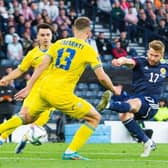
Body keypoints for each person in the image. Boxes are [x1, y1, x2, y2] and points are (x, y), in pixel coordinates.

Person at [0, 17, 121, 160]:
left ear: (74, 29)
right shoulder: (89, 50)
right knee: (94, 117)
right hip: (60, 94)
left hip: (43, 90)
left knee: (24, 117)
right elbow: (101, 77)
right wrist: (113, 89)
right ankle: (70, 152)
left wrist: (29, 87)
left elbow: (41, 66)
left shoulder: (59, 43)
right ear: (88, 32)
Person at [97, 40, 168, 157]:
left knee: (133, 103)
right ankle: (148, 142)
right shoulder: (140, 61)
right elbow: (128, 61)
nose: (152, 58)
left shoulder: (165, 66)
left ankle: (109, 105)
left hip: (151, 104)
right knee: (124, 115)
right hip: (137, 99)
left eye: (156, 56)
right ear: (147, 52)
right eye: (150, 54)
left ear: (161, 55)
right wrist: (120, 61)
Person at [0, 23, 54, 153]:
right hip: (34, 92)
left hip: (52, 93)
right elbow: (20, 70)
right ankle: (3, 137)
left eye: (48, 35)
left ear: (52, 36)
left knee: (39, 122)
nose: (45, 37)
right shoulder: (32, 54)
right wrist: (6, 78)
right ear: (37, 37)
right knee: (22, 117)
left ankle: (26, 137)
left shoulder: (59, 50)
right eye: (42, 35)